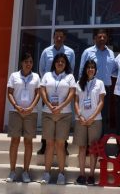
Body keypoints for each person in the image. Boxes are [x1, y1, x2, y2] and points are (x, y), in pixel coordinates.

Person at [39, 53, 77, 185]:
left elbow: (72, 93)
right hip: (48, 113)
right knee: (49, 144)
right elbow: (42, 91)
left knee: (60, 145)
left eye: (63, 61)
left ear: (66, 64)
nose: (60, 63)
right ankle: (46, 173)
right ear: (54, 63)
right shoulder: (47, 75)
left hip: (64, 114)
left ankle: (61, 174)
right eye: (58, 61)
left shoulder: (70, 77)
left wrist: (61, 106)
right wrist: (49, 105)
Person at [38, 29, 76, 155]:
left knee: (63, 119)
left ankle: (63, 146)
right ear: (53, 37)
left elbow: (71, 70)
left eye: (61, 36)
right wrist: (49, 83)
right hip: (49, 89)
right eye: (57, 36)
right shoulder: (46, 51)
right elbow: (42, 69)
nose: (59, 38)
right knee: (47, 119)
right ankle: (44, 145)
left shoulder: (70, 52)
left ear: (64, 38)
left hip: (63, 90)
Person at [5, 52, 41, 183]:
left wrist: (31, 107)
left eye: (31, 62)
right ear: (21, 63)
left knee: (28, 142)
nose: (28, 64)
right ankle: (12, 171)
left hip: (31, 113)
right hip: (16, 112)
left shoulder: (36, 77)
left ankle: (26, 171)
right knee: (14, 141)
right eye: (26, 61)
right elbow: (9, 93)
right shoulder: (14, 76)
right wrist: (16, 106)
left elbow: (38, 94)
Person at [74, 59, 105, 186]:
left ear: (96, 70)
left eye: (93, 67)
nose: (90, 69)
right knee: (82, 147)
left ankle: (91, 175)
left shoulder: (100, 83)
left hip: (95, 120)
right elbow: (76, 101)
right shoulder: (78, 83)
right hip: (80, 120)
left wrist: (92, 117)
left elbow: (101, 102)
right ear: (85, 69)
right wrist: (80, 115)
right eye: (88, 67)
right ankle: (82, 174)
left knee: (93, 148)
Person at [79, 28, 116, 133]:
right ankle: (89, 139)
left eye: (104, 37)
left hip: (105, 89)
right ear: (94, 38)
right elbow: (81, 70)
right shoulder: (87, 52)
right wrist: (81, 87)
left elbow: (114, 70)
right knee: (89, 112)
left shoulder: (111, 53)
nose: (102, 38)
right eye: (100, 37)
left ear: (107, 39)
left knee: (103, 115)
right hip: (90, 88)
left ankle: (101, 140)